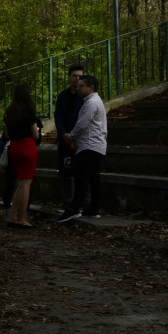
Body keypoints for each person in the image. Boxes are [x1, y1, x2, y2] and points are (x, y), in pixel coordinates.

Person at [57, 75, 107, 222]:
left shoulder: (91, 103)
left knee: (82, 177)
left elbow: (82, 124)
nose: (77, 88)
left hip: (90, 145)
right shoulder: (92, 102)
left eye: (81, 85)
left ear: (90, 87)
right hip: (93, 144)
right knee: (93, 178)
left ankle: (75, 208)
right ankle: (92, 208)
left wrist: (70, 137)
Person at [3, 85, 41, 228]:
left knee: (20, 184)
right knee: (26, 184)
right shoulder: (29, 111)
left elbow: (6, 134)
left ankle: (13, 216)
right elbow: (35, 134)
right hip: (27, 146)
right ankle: (22, 218)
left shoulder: (9, 112)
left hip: (14, 147)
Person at [54, 64, 84, 207]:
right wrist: (64, 134)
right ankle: (68, 201)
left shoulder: (84, 97)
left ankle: (82, 201)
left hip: (79, 140)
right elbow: (58, 116)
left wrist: (74, 136)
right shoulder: (63, 96)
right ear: (69, 77)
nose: (77, 79)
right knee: (65, 172)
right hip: (64, 139)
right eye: (74, 76)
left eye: (80, 76)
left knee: (81, 172)